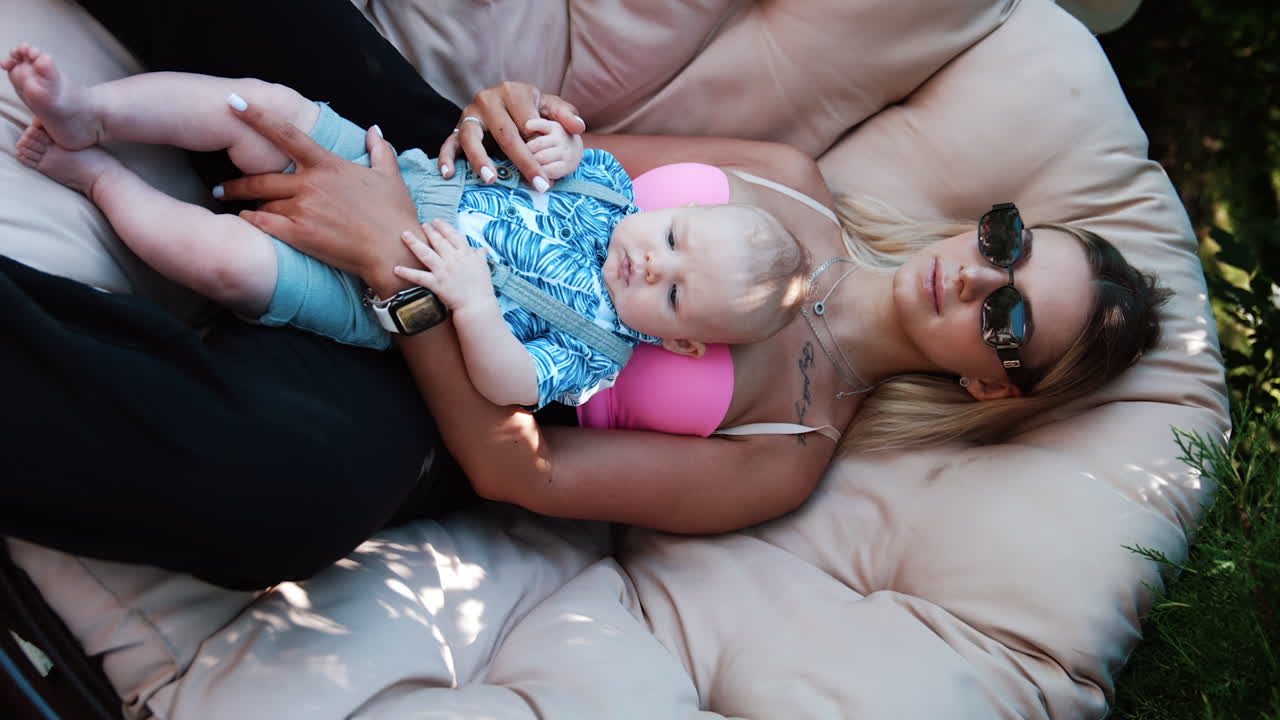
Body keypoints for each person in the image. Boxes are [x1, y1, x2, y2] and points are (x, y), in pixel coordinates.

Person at [0, 0, 1169, 591]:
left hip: (448, 384)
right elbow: (583, 169)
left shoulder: (784, 450)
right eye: (1009, 242)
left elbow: (522, 471)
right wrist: (511, 120)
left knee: (276, 496)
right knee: (274, 42)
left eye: (1006, 316)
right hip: (464, 198)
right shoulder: (790, 184)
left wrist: (399, 267)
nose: (976, 274)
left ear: (984, 380)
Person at [5, 52, 804, 409]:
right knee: (260, 108)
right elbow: (541, 149)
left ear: (682, 345)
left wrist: (476, 308)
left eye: (672, 295)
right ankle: (94, 114)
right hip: (395, 173)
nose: (647, 267)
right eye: (671, 242)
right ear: (675, 207)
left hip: (371, 294)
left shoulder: (598, 350)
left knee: (225, 263)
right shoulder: (609, 189)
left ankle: (98, 179)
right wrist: (558, 145)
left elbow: (508, 388)